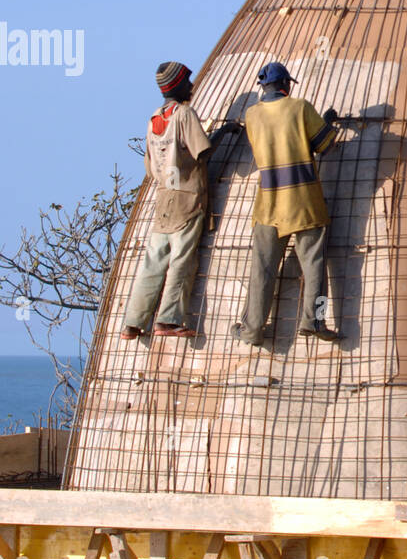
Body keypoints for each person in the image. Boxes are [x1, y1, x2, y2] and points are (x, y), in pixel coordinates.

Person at [235, 61, 342, 346]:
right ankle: (314, 320)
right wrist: (328, 122)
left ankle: (251, 329)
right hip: (304, 202)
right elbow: (327, 145)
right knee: (315, 267)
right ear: (285, 85)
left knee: (262, 269)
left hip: (268, 204)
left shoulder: (252, 115)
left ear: (263, 87)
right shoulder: (300, 108)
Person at [122, 62, 215, 340]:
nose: (192, 86)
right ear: (177, 85)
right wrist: (224, 134)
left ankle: (133, 322)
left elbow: (150, 169)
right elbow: (203, 152)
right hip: (187, 197)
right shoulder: (184, 114)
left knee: (152, 261)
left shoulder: (154, 119)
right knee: (182, 259)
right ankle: (168, 320)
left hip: (163, 197)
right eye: (188, 81)